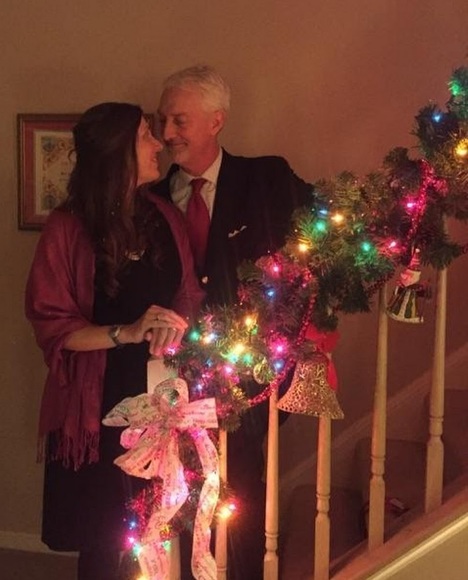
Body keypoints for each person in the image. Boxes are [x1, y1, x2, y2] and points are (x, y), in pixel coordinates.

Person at [25, 102, 204, 580]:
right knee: (105, 537)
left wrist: (175, 325)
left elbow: (187, 292)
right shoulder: (68, 227)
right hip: (97, 402)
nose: (158, 143)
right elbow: (54, 327)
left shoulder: (164, 216)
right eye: (146, 134)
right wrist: (126, 332)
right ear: (116, 151)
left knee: (160, 526)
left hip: (159, 395)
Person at [153, 65, 314, 580]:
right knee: (176, 497)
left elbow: (316, 242)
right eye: (162, 120)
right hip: (171, 378)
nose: (167, 132)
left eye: (179, 120)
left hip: (245, 376)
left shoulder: (266, 179)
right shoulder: (151, 197)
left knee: (240, 494)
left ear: (216, 121)